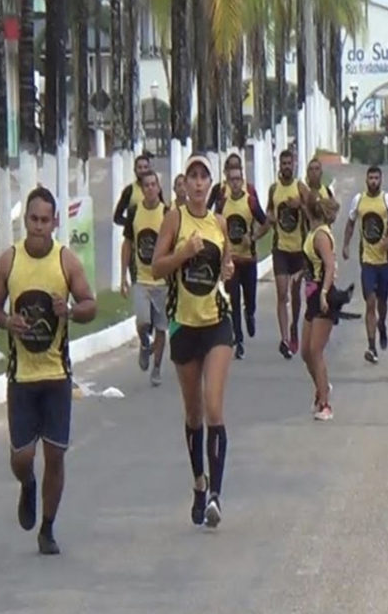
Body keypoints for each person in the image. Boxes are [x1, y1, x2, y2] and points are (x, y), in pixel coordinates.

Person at [0, 187, 98, 555]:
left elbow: (90, 305)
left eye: (45, 220)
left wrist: (70, 310)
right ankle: (27, 485)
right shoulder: (10, 260)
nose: (38, 226)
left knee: (55, 455)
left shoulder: (66, 262)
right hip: (21, 377)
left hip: (55, 376)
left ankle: (47, 528)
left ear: (55, 222)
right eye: (33, 219)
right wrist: (7, 321)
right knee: (22, 458)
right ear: (26, 221)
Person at [151, 154, 235, 529]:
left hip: (216, 322)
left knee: (214, 407)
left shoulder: (219, 223)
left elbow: (226, 266)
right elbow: (157, 267)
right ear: (184, 184)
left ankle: (216, 494)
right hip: (183, 325)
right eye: (193, 177)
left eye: (204, 177)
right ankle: (199, 483)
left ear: (210, 184)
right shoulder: (175, 219)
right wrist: (183, 253)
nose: (199, 183)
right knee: (193, 413)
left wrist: (227, 269)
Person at [342, 165, 388, 363]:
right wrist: (346, 245)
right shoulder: (359, 200)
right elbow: (350, 223)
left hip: (384, 260)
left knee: (382, 302)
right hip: (367, 261)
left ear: (381, 180)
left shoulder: (387, 200)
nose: (374, 181)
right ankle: (371, 347)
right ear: (366, 180)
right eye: (371, 178)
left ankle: (382, 324)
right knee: (370, 302)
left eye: (376, 178)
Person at [302, 192, 353, 420]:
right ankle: (322, 387)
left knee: (316, 351)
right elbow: (312, 262)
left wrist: (323, 293)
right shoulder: (312, 232)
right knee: (305, 352)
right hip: (311, 296)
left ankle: (325, 404)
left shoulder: (321, 235)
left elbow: (330, 266)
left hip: (324, 296)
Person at [217, 162, 269, 360]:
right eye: (232, 180)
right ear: (227, 182)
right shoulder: (223, 204)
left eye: (238, 179)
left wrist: (253, 237)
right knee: (234, 302)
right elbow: (215, 226)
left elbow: (266, 223)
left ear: (243, 181)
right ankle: (238, 340)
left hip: (248, 259)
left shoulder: (250, 202)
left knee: (249, 299)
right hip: (232, 260)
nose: (235, 183)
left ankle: (251, 314)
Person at [121, 171, 169, 385]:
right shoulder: (134, 213)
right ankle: (144, 343)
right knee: (142, 321)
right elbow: (128, 244)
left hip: (163, 281)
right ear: (142, 189)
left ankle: (156, 368)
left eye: (153, 185)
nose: (150, 188)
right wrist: (123, 276)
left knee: (161, 328)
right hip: (141, 279)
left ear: (158, 188)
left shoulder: (167, 213)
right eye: (146, 185)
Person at [268, 149, 310, 358]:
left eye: (289, 163)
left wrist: (300, 206)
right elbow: (269, 211)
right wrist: (270, 218)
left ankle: (294, 326)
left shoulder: (300, 188)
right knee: (282, 293)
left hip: (299, 250)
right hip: (280, 249)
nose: (286, 167)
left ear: (294, 165)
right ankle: (284, 339)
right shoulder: (274, 189)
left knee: (295, 294)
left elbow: (313, 214)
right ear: (279, 166)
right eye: (283, 163)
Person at [113, 153, 154, 226]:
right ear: (135, 170)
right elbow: (117, 217)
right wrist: (132, 224)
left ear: (149, 169)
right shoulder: (129, 190)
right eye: (139, 167)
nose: (143, 170)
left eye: (145, 167)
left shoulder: (155, 189)